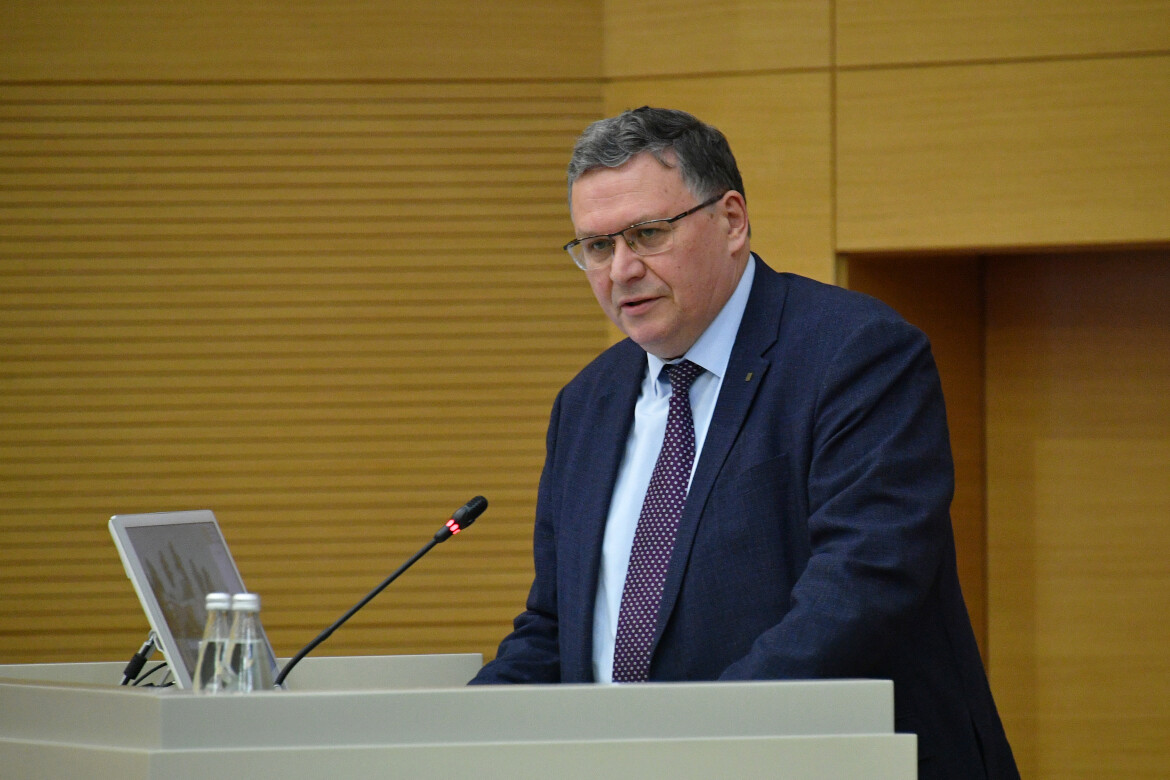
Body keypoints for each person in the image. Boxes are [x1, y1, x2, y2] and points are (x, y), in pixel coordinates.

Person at [469, 106, 1019, 779]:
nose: (620, 270)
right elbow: (557, 629)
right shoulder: (586, 404)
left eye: (646, 234)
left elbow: (861, 588)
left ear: (731, 220)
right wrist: (449, 735)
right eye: (597, 247)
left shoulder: (854, 354)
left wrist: (699, 748)